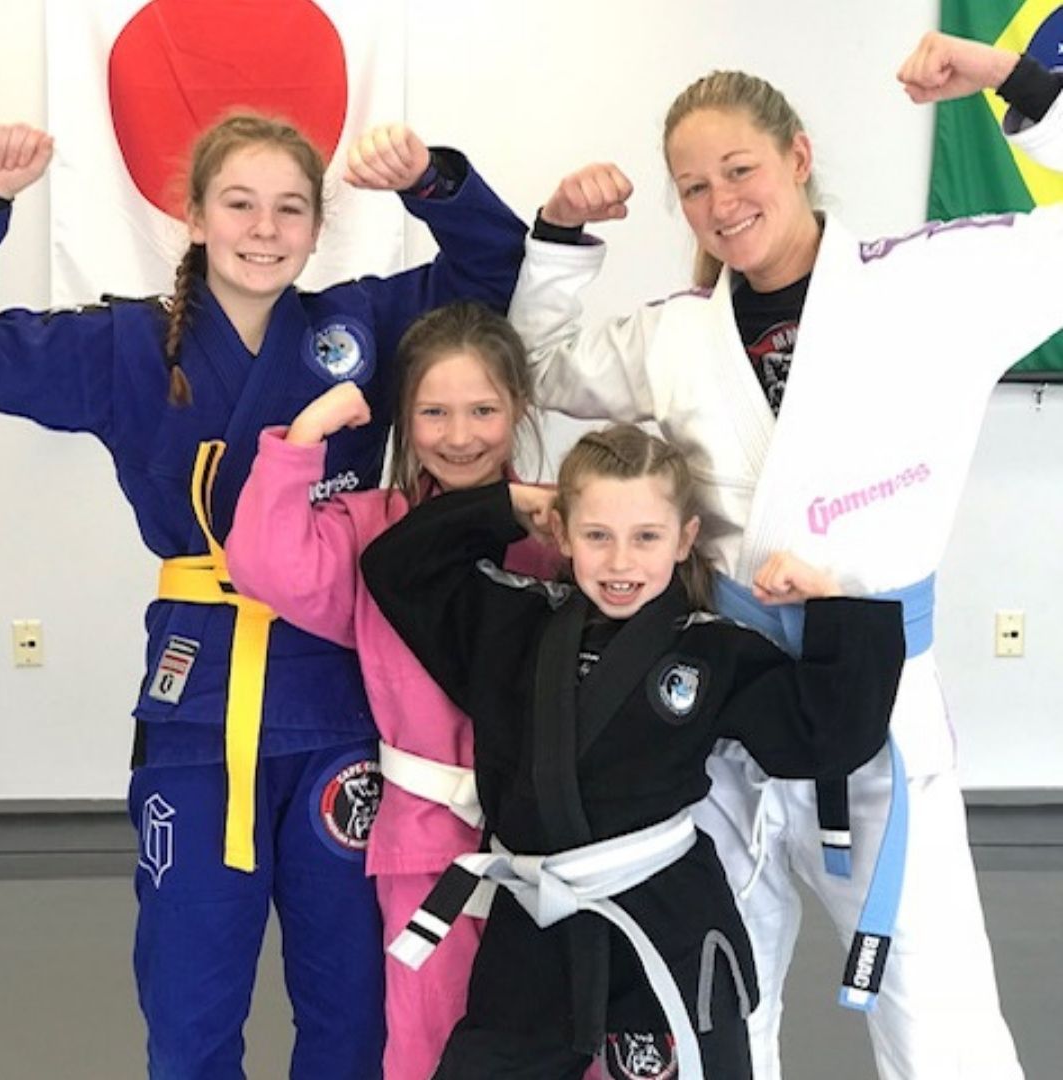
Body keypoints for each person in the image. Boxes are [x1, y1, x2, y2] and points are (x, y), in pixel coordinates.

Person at [504, 30, 1063, 1080]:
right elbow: (531, 365)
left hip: (877, 702)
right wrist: (561, 233)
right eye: (693, 187)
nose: (720, 203)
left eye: (741, 170)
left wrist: (1009, 80)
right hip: (720, 706)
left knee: (934, 1007)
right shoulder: (676, 335)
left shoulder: (933, 284)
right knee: (716, 992)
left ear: (799, 156)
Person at [0, 114, 527, 1078]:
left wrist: (433, 181)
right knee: (190, 1009)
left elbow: (490, 273)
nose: (265, 227)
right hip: (200, 705)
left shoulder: (355, 330)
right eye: (239, 203)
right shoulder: (124, 345)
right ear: (192, 215)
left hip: (340, 708)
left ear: (318, 229)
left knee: (353, 1010)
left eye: (291, 208)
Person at [359, 422, 905, 1080]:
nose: (621, 563)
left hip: (664, 916)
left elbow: (826, 734)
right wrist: (503, 506)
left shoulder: (711, 650)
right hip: (534, 920)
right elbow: (396, 567)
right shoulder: (509, 622)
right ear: (561, 535)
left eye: (646, 537)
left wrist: (833, 605)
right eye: (597, 536)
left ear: (684, 540)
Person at [224, 300, 563, 1080]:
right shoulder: (372, 526)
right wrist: (306, 438)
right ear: (404, 422)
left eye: (483, 410)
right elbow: (265, 564)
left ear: (519, 409)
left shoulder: (559, 528)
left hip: (549, 835)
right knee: (427, 1041)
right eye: (434, 412)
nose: (460, 434)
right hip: (426, 838)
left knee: (555, 1035)